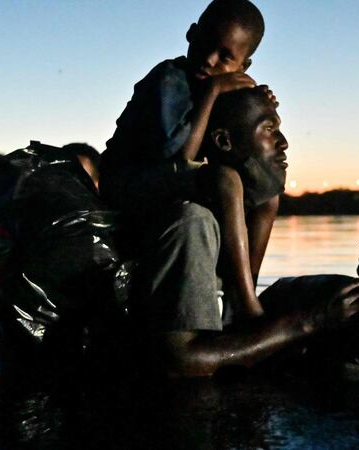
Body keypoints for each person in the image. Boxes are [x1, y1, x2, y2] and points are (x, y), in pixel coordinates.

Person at [129, 87, 359, 377]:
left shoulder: (247, 212)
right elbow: (181, 361)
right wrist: (309, 322)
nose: (283, 142)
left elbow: (242, 318)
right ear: (224, 141)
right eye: (268, 128)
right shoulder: (193, 221)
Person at [99, 0, 276, 321]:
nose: (210, 60)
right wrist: (212, 92)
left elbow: (245, 149)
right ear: (191, 34)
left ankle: (243, 289)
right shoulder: (169, 78)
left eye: (225, 57)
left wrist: (259, 107)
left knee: (269, 191)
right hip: (129, 183)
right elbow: (180, 156)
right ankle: (247, 303)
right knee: (224, 180)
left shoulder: (226, 87)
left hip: (174, 180)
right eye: (206, 44)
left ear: (244, 66)